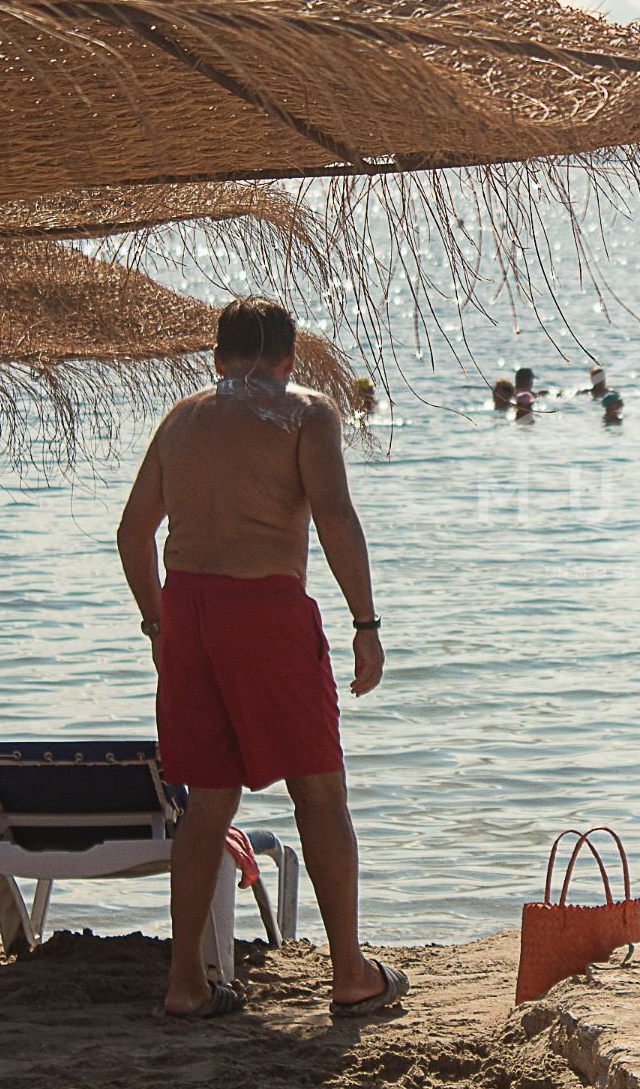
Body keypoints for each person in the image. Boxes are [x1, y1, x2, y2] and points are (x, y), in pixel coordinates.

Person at [117, 297, 407, 1020]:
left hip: (187, 610)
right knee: (319, 792)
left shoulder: (181, 417)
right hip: (266, 608)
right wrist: (365, 623)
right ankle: (349, 972)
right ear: (287, 360)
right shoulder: (305, 411)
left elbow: (132, 534)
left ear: (217, 360)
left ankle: (185, 983)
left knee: (208, 805)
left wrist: (158, 624)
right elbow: (334, 515)